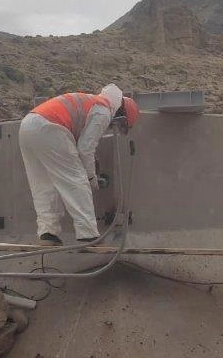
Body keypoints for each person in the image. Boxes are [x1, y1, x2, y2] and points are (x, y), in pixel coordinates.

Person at [19, 84, 140, 246]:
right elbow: (85, 149)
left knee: (43, 185)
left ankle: (48, 233)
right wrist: (91, 177)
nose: (115, 127)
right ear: (121, 113)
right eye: (120, 124)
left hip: (28, 126)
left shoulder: (93, 102)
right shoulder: (104, 109)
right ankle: (88, 235)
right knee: (76, 180)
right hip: (50, 128)